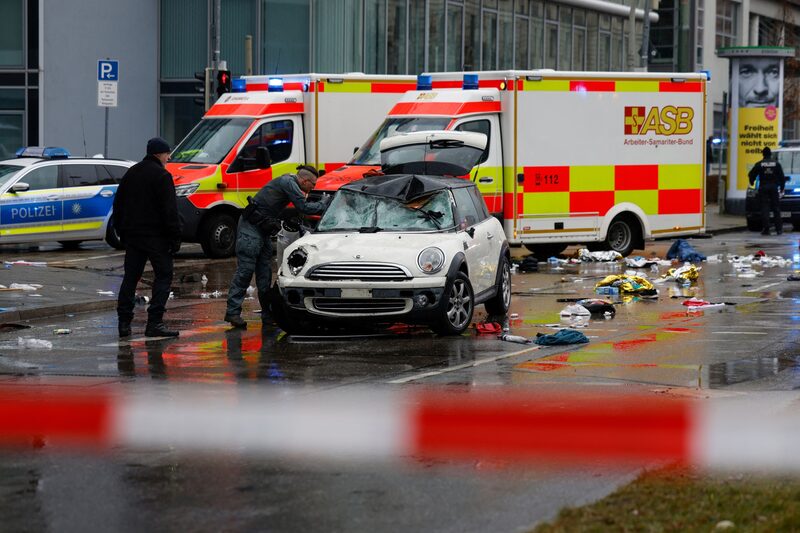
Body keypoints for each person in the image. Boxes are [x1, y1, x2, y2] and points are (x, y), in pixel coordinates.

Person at [224, 165, 330, 329]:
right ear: (304, 180)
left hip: (261, 230)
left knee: (265, 276)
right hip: (250, 230)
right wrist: (325, 204)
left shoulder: (288, 182)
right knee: (245, 272)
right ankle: (233, 312)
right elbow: (304, 207)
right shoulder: (289, 183)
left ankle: (268, 316)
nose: (313, 188)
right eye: (312, 184)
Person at [114, 137, 182, 338]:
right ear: (159, 154)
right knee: (163, 276)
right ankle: (154, 323)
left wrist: (121, 231)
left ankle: (124, 324)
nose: (169, 157)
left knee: (130, 278)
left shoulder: (131, 173)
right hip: (157, 238)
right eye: (167, 153)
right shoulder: (161, 176)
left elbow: (118, 204)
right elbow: (169, 210)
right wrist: (175, 238)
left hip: (134, 237)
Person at [748, 146, 787, 236]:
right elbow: (782, 177)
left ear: (763, 154)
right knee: (776, 208)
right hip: (773, 187)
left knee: (765, 208)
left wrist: (752, 181)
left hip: (763, 188)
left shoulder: (759, 164)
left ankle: (766, 229)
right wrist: (782, 188)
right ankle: (779, 229)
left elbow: (751, 174)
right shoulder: (776, 164)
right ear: (770, 154)